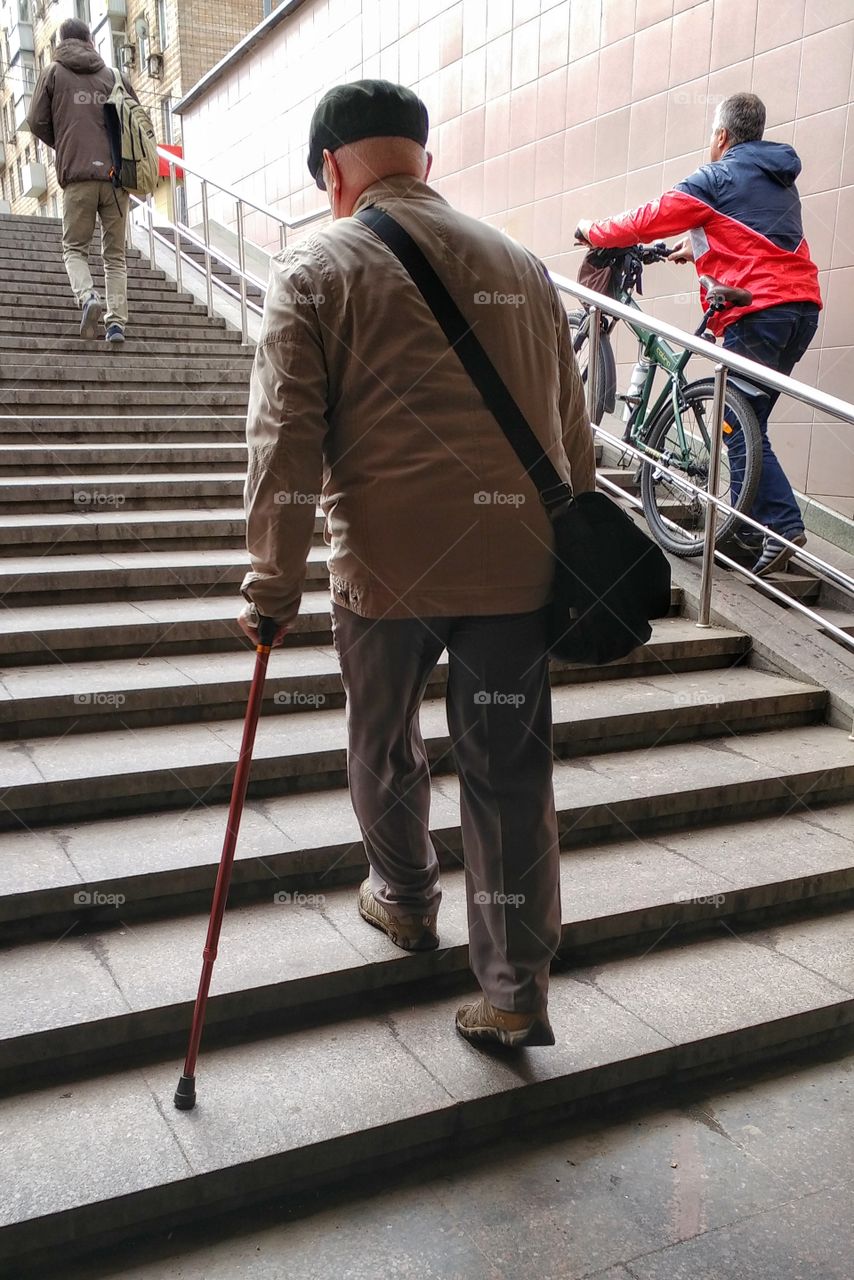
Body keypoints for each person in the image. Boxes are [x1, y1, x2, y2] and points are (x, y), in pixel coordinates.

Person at [237, 79, 595, 1049]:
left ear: (330, 169)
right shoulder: (522, 265)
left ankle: (402, 897)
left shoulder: (315, 265)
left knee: (383, 741)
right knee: (507, 772)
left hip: (385, 571)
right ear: (423, 161)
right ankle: (514, 989)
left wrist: (271, 583)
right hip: (514, 570)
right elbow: (572, 432)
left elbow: (284, 441)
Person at [576, 92, 822, 577]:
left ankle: (781, 524)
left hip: (758, 311)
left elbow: (649, 217)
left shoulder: (718, 176)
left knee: (735, 421)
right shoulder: (778, 180)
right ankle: (748, 531)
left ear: (722, 135)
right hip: (800, 310)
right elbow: (760, 236)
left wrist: (593, 230)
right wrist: (699, 247)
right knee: (748, 422)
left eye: (712, 133)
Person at [28, 18, 138, 345]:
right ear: (90, 41)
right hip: (115, 177)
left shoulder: (52, 73)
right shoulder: (113, 76)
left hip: (77, 177)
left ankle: (88, 296)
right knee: (115, 256)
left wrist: (64, 142)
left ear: (61, 42)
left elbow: (35, 121)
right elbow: (135, 119)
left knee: (75, 248)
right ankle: (116, 324)